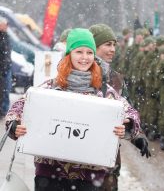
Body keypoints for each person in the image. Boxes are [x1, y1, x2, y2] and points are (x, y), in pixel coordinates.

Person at [5, 28, 140, 191]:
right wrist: (14, 125)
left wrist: (127, 126)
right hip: (49, 175)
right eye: (79, 52)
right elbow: (19, 107)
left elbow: (131, 114)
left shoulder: (104, 92)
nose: (85, 57)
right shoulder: (51, 87)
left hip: (89, 177)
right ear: (69, 54)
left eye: (89, 52)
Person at [89, 23, 150, 191]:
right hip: (82, 153)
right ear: (93, 45)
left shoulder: (115, 78)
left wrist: (136, 135)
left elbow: (127, 110)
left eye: (114, 45)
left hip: (109, 152)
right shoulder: (78, 73)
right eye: (107, 44)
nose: (113, 49)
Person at [0, 16, 12, 119]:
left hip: (6, 67)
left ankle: (4, 110)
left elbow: (6, 54)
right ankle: (3, 110)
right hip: (3, 68)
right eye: (5, 24)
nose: (6, 26)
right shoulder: (3, 37)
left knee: (6, 90)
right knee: (3, 90)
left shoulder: (6, 36)